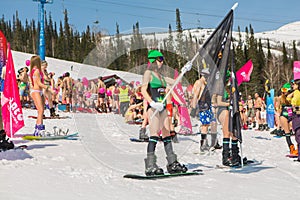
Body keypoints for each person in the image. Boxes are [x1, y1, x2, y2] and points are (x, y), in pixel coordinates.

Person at [140, 50, 191, 175]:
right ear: (153, 60)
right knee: (154, 134)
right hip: (154, 108)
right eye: (160, 59)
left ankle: (172, 162)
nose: (162, 62)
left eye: (162, 59)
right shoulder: (148, 73)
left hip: (162, 108)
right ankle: (150, 165)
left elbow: (175, 82)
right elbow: (143, 89)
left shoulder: (161, 77)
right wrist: (151, 102)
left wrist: (184, 71)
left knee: (166, 134)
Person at [29, 56, 54, 136]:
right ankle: (39, 129)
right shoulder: (36, 71)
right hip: (36, 91)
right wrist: (49, 88)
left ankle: (39, 128)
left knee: (41, 110)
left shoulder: (35, 70)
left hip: (39, 91)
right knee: (40, 110)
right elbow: (39, 83)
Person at [191, 68, 214, 153]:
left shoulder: (205, 83)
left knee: (207, 125)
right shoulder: (199, 82)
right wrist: (193, 107)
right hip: (202, 105)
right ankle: (203, 144)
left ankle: (205, 142)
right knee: (204, 125)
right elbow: (196, 95)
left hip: (207, 105)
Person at [277, 83, 297, 155]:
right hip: (284, 115)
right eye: (283, 89)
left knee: (296, 131)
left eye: (285, 90)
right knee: (287, 132)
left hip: (292, 115)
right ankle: (291, 147)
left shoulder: (293, 96)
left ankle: (298, 147)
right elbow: (278, 107)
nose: (283, 91)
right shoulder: (280, 97)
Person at [287, 80, 300, 158]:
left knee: (298, 135)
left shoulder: (297, 93)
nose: (292, 86)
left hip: (297, 115)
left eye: (294, 84)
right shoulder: (296, 92)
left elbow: (292, 102)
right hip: (296, 115)